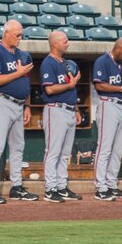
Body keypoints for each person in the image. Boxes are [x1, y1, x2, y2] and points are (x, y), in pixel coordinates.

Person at [0, 19, 38, 204]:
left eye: (21, 35)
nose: (20, 38)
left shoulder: (23, 54)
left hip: (19, 104)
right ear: (6, 33)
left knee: (18, 147)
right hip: (2, 101)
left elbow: (26, 82)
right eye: (17, 35)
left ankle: (16, 186)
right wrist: (18, 73)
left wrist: (27, 105)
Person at [40, 31, 83, 203]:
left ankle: (61, 186)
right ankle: (50, 189)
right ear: (55, 44)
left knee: (65, 154)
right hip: (55, 109)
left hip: (69, 109)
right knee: (53, 151)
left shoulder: (66, 63)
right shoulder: (48, 63)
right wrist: (69, 84)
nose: (68, 43)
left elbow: (70, 89)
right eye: (65, 41)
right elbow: (49, 89)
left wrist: (76, 109)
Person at [92, 38, 122, 201]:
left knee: (118, 150)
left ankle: (111, 184)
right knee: (105, 148)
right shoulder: (102, 61)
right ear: (117, 49)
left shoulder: (121, 64)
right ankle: (100, 187)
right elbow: (99, 86)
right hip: (107, 104)